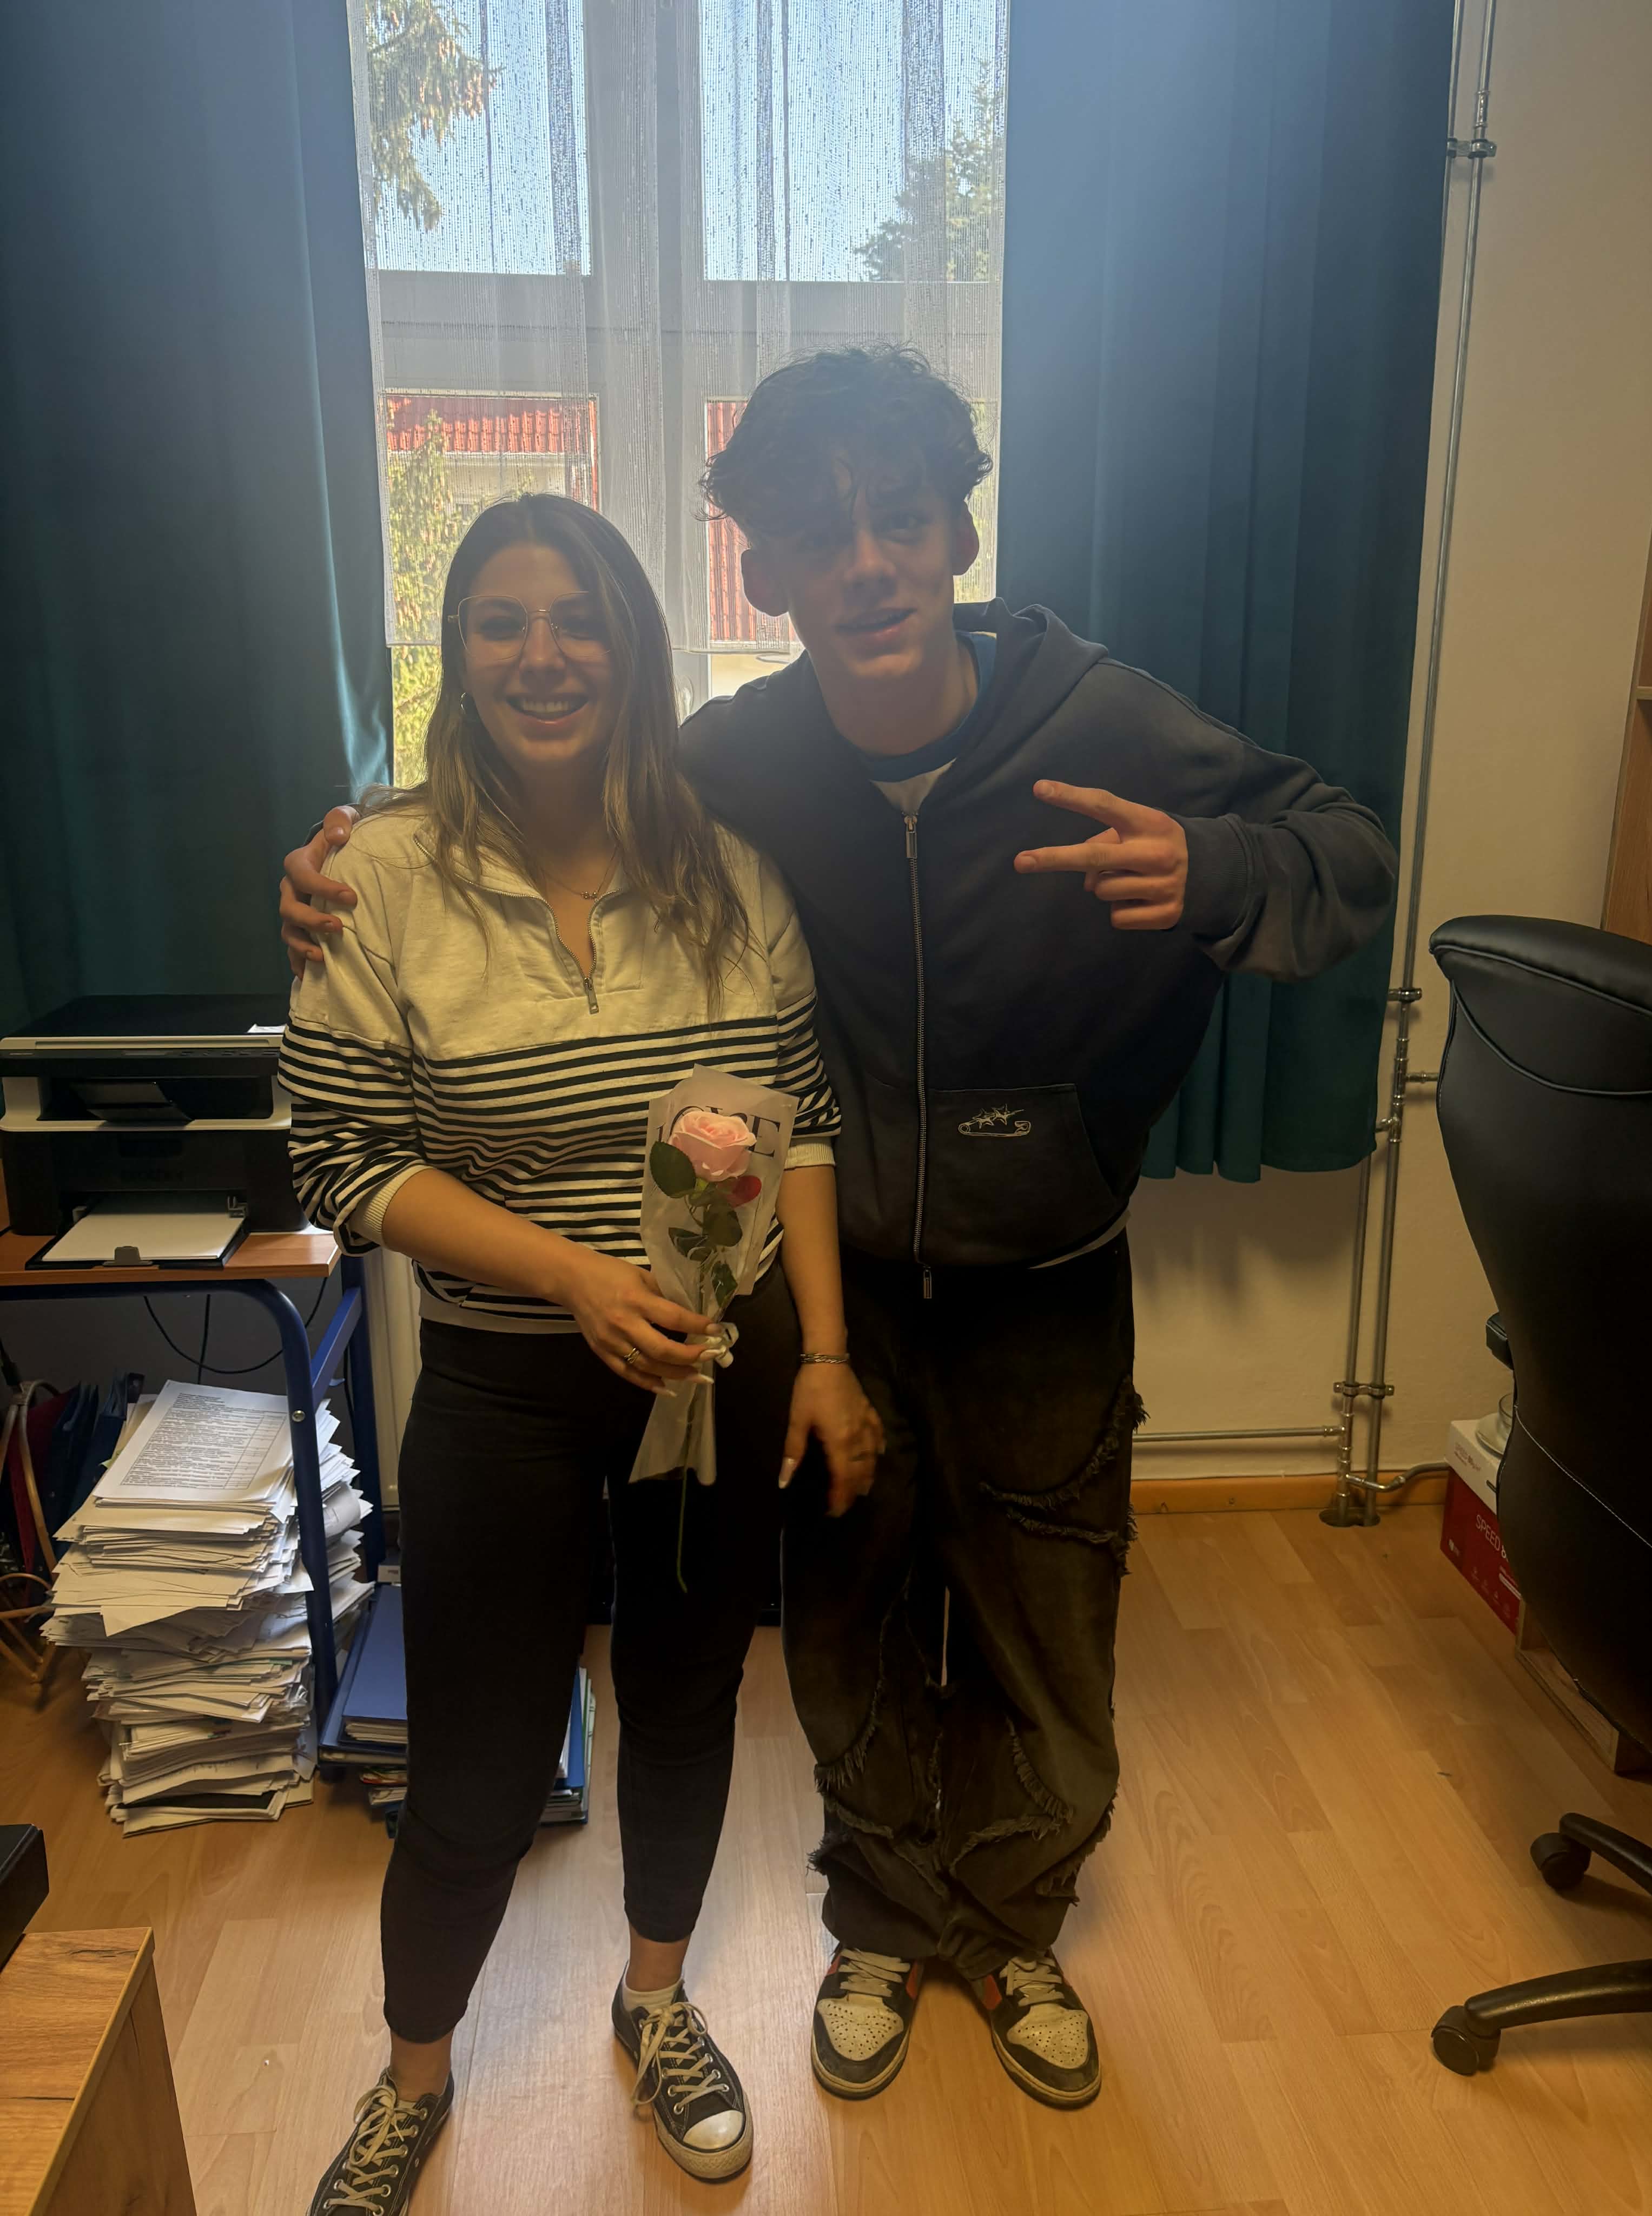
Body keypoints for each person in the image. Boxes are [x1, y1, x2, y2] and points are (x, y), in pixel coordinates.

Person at [282, 348, 1397, 2116]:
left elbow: (1346, 848)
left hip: (1040, 1275)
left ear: (958, 532)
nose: (866, 563)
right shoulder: (735, 765)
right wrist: (343, 858)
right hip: (827, 1291)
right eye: (819, 534)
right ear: (766, 574)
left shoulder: (1093, 718)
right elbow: (536, 811)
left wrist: (1221, 873)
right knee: (849, 1630)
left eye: (899, 520)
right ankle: (875, 1925)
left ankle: (1009, 1929)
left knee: (1043, 1622)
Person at [282, 491, 882, 2215]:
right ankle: (412, 2079)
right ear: (459, 654)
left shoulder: (728, 866)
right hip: (502, 1386)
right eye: (502, 621)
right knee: (473, 1764)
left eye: (578, 620)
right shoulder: (374, 880)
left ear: (632, 647)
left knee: (685, 1704)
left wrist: (825, 1352)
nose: (542, 655)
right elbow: (341, 1159)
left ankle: (657, 2003)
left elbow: (804, 1117)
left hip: (714, 1369)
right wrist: (571, 1278)